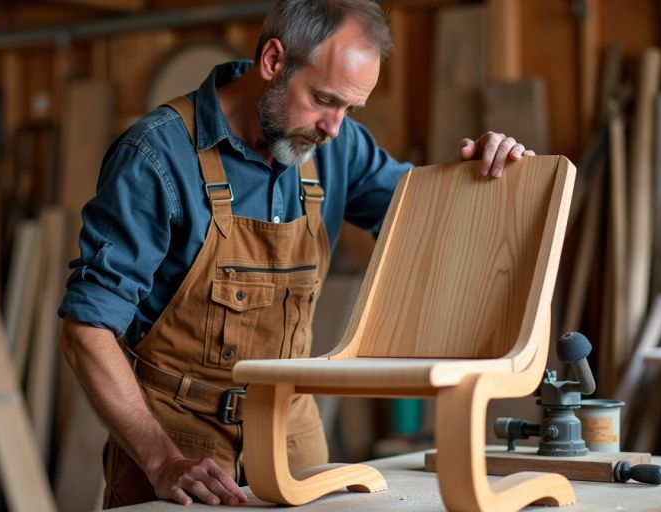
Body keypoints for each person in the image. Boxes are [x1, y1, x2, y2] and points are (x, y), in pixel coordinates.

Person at [57, 0, 534, 507]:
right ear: (273, 61)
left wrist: (488, 174)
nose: (334, 126)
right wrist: (160, 460)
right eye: (324, 99)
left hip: (293, 436)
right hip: (180, 441)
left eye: (351, 109)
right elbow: (87, 329)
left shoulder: (338, 145)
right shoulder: (156, 157)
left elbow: (433, 224)